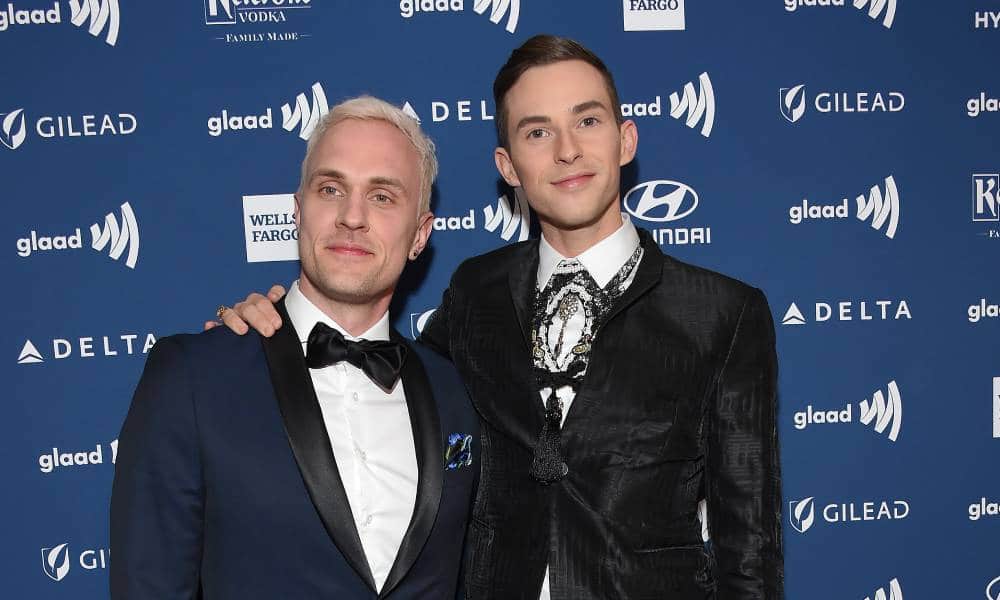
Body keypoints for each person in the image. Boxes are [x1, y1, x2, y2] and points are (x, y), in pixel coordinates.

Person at [220, 36, 783, 599]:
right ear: (508, 166)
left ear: (625, 139)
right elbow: (380, 379)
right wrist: (280, 326)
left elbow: (749, 547)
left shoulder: (722, 313)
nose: (566, 151)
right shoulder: (476, 291)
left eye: (586, 122)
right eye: (537, 132)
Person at [111, 96, 479, 599]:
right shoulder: (194, 379)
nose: (352, 216)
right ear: (298, 210)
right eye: (331, 188)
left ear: (420, 235)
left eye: (383, 196)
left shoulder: (454, 391)